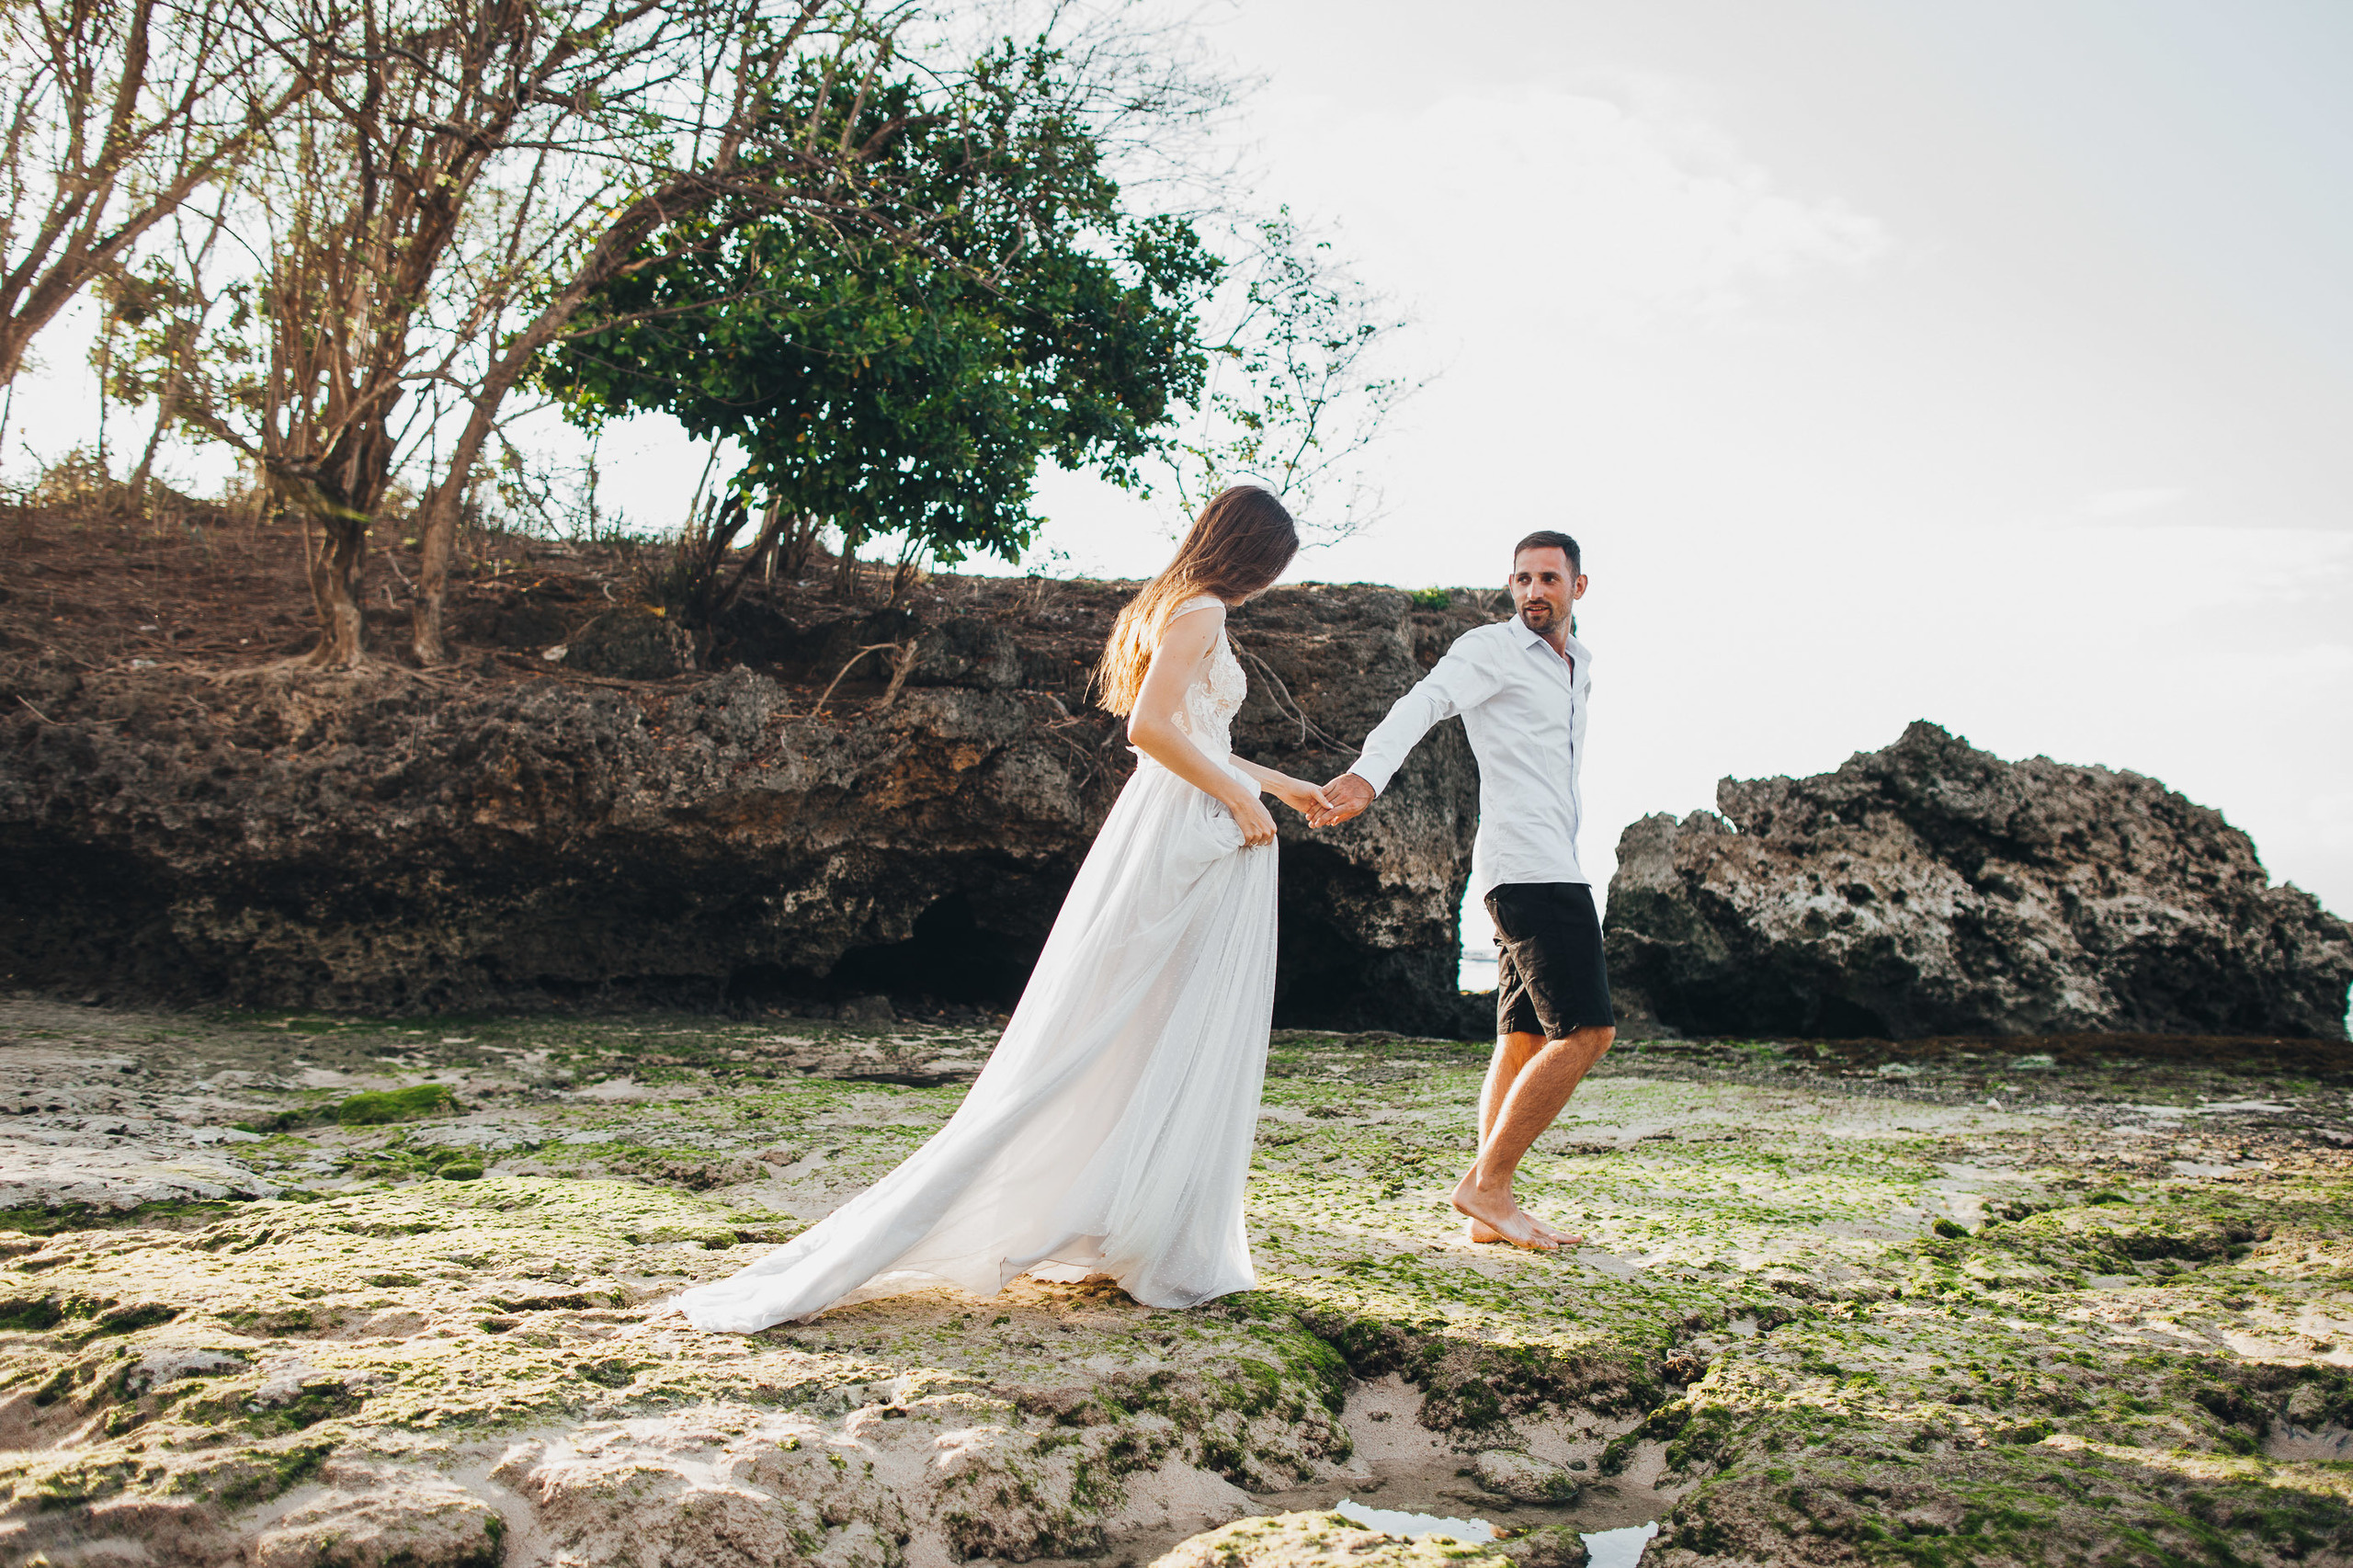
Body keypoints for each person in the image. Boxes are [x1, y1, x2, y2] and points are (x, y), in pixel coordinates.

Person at [674, 485, 1333, 1332]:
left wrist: (1283, 787)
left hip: (1184, 816)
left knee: (1155, 1023)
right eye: (1270, 566)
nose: (1269, 583)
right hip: (1184, 828)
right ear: (1248, 553)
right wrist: (1241, 805)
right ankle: (1128, 1222)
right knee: (1142, 1019)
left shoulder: (1180, 606)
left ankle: (1123, 1215)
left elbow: (1204, 737)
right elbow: (1149, 730)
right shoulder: (1200, 610)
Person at [1311, 530, 1611, 1252]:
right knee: (1588, 1032)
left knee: (1524, 1039)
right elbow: (1426, 701)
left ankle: (1486, 1209)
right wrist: (1368, 775)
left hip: (1537, 863)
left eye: (1547, 578)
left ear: (1579, 586)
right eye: (1521, 579)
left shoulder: (1581, 665)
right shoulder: (1491, 649)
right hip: (1532, 870)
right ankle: (1489, 1186)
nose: (1533, 591)